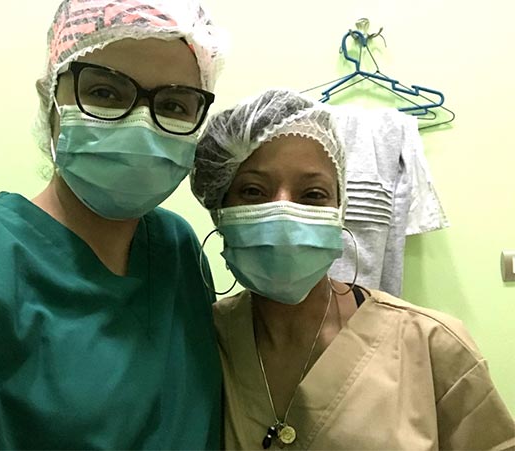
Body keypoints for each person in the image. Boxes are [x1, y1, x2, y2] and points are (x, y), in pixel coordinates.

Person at [0, 1, 226, 449]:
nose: (141, 124)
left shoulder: (177, 248)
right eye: (104, 92)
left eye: (175, 103)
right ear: (51, 101)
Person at [190, 89, 515, 450]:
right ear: (220, 210)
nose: (283, 211)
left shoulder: (432, 345)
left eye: (313, 194)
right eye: (253, 191)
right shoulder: (198, 343)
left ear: (340, 211)